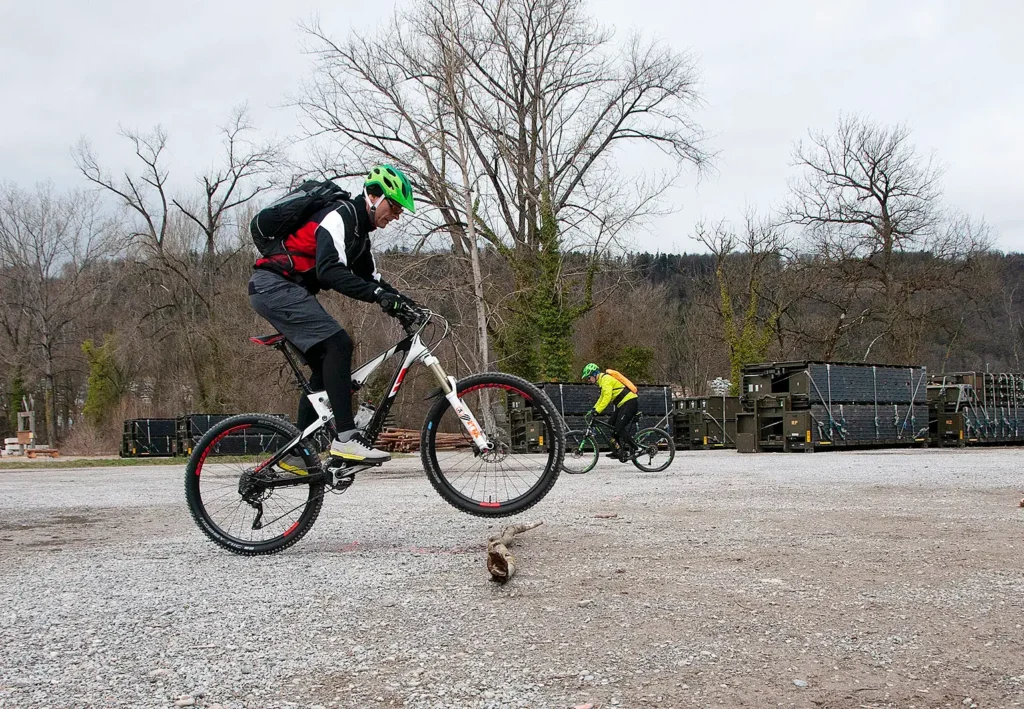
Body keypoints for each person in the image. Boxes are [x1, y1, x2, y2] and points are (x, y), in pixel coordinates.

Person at [248, 165, 417, 464]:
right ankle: (346, 437)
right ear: (374, 196)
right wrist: (379, 297)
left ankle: (295, 454)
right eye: (394, 206)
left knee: (325, 369)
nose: (396, 215)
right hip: (273, 286)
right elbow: (329, 270)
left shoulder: (359, 235)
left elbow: (372, 279)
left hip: (285, 291)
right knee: (339, 344)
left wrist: (406, 303)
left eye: (400, 211)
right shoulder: (339, 216)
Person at [581, 362, 638, 462]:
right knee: (611, 425)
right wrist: (593, 409)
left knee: (619, 428)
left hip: (629, 402)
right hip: (622, 404)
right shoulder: (602, 381)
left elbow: (607, 398)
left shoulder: (606, 379)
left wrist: (597, 411)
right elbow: (602, 398)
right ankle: (618, 450)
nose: (588, 380)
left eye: (589, 378)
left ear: (594, 374)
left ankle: (637, 448)